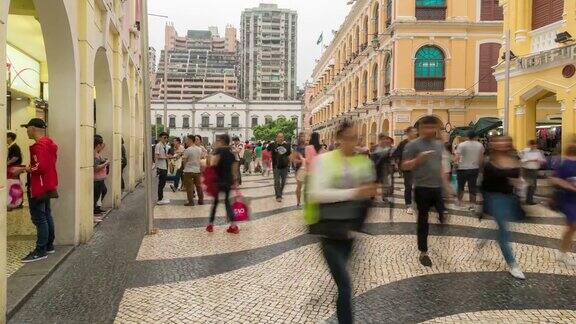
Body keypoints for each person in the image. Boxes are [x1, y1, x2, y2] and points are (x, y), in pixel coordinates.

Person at [308, 121, 377, 324]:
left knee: (342, 285)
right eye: (347, 138)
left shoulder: (364, 162)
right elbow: (316, 194)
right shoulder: (324, 161)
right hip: (329, 231)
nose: (351, 142)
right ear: (338, 139)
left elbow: (368, 195)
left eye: (355, 138)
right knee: (345, 284)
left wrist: (369, 193)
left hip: (349, 233)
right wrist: (354, 192)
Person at [402, 117, 447, 267]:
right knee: (423, 219)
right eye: (426, 127)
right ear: (420, 128)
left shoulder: (438, 145)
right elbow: (405, 166)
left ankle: (441, 215)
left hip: (437, 187)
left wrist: (446, 183)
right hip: (422, 188)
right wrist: (418, 160)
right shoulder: (412, 145)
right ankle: (423, 251)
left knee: (442, 212)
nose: (429, 131)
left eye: (432, 127)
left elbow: (440, 164)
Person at [480, 135, 525, 279]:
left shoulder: (515, 160)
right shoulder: (488, 162)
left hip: (509, 197)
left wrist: (519, 185)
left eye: (506, 141)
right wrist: (483, 204)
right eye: (499, 141)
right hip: (494, 197)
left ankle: (484, 238)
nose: (503, 144)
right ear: (493, 145)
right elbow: (485, 185)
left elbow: (517, 179)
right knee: (504, 230)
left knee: (502, 226)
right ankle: (513, 264)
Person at [15, 118, 59, 263]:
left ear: (33, 128)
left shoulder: (39, 146)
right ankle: (49, 245)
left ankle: (40, 250)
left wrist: (24, 169)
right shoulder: (49, 144)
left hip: (38, 186)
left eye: (27, 128)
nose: (26, 131)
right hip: (48, 184)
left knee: (39, 218)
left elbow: (40, 167)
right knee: (46, 215)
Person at [206, 134, 239, 234]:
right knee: (227, 203)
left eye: (219, 140)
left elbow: (213, 164)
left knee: (215, 203)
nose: (218, 141)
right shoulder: (231, 152)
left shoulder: (219, 151)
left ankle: (210, 225)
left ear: (223, 141)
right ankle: (233, 226)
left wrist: (211, 154)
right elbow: (234, 167)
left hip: (218, 180)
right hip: (228, 180)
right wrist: (234, 180)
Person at [550, 143, 576, 266]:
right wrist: (568, 185)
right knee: (573, 225)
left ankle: (563, 252)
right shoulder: (564, 163)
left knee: (572, 227)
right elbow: (554, 179)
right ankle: (563, 253)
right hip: (569, 199)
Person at [454, 131, 484, 210]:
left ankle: (459, 201)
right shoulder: (480, 145)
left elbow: (457, 157)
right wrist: (480, 168)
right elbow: (481, 158)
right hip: (474, 169)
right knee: (472, 187)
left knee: (460, 186)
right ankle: (472, 205)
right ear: (476, 136)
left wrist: (455, 165)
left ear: (467, 136)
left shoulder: (461, 145)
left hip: (462, 168)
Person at [393, 126, 418, 214]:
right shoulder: (403, 143)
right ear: (408, 133)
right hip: (407, 169)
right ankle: (408, 205)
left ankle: (418, 203)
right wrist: (397, 164)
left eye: (416, 131)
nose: (415, 133)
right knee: (408, 187)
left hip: (418, 168)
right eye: (413, 132)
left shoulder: (419, 143)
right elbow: (397, 154)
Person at [520, 140, 546, 205]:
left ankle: (529, 200)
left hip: (534, 170)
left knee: (533, 185)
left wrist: (540, 161)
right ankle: (525, 199)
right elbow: (521, 160)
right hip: (526, 169)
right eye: (532, 145)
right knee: (526, 184)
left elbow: (543, 160)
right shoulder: (524, 151)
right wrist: (530, 160)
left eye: (535, 145)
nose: (533, 146)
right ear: (529, 145)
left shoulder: (538, 152)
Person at [268, 133, 291, 202]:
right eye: (279, 137)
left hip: (285, 166)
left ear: (283, 138)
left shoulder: (287, 145)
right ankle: (278, 195)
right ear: (276, 138)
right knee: (277, 181)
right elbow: (267, 151)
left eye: (282, 137)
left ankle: (279, 193)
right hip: (276, 166)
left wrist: (290, 163)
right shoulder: (272, 145)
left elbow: (289, 155)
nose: (280, 138)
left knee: (283, 182)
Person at [182, 135, 204, 206]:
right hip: (197, 170)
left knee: (189, 187)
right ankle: (201, 200)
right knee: (199, 186)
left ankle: (191, 202)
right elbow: (200, 159)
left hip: (188, 171)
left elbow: (184, 161)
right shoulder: (199, 149)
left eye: (187, 140)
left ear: (191, 140)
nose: (186, 141)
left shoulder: (187, 150)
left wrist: (185, 168)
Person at [372, 134, 394, 203]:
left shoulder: (388, 148)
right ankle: (372, 197)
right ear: (379, 140)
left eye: (385, 139)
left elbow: (390, 158)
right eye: (383, 139)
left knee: (385, 184)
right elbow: (372, 158)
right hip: (376, 168)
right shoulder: (375, 148)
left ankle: (384, 197)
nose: (385, 141)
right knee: (375, 184)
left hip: (384, 168)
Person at [7, 132, 24, 210]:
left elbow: (16, 157)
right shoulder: (11, 146)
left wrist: (7, 163)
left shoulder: (14, 146)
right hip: (12, 167)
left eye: (6, 137)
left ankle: (16, 203)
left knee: (14, 185)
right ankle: (14, 202)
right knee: (13, 185)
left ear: (10, 138)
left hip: (13, 168)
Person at [93, 135, 110, 215]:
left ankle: (97, 209)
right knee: (96, 196)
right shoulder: (95, 155)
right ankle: (95, 211)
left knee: (102, 191)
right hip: (97, 179)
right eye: (101, 145)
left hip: (100, 178)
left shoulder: (96, 153)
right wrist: (105, 163)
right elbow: (96, 168)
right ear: (98, 145)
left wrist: (103, 161)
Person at [155, 132, 171, 205]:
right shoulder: (158, 145)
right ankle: (160, 199)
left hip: (164, 166)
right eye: (164, 138)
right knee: (161, 183)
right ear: (160, 138)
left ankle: (161, 197)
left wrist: (168, 156)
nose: (166, 139)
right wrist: (166, 157)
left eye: (167, 138)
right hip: (161, 167)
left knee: (163, 183)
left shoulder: (164, 145)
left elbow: (163, 155)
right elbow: (157, 156)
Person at [292, 133, 307, 206]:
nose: (303, 138)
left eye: (304, 136)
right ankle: (298, 201)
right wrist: (302, 160)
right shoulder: (296, 148)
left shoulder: (308, 146)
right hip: (299, 169)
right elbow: (293, 159)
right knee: (299, 186)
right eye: (301, 137)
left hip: (308, 169)